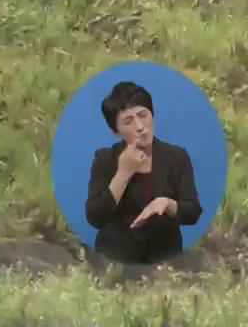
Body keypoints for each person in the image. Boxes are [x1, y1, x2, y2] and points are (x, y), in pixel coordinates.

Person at [84, 80, 203, 264]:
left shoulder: (177, 156)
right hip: (115, 259)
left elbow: (192, 212)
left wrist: (167, 204)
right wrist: (123, 173)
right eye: (128, 121)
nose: (140, 126)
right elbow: (95, 217)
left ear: (152, 115)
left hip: (165, 259)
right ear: (115, 131)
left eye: (143, 115)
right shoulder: (105, 159)